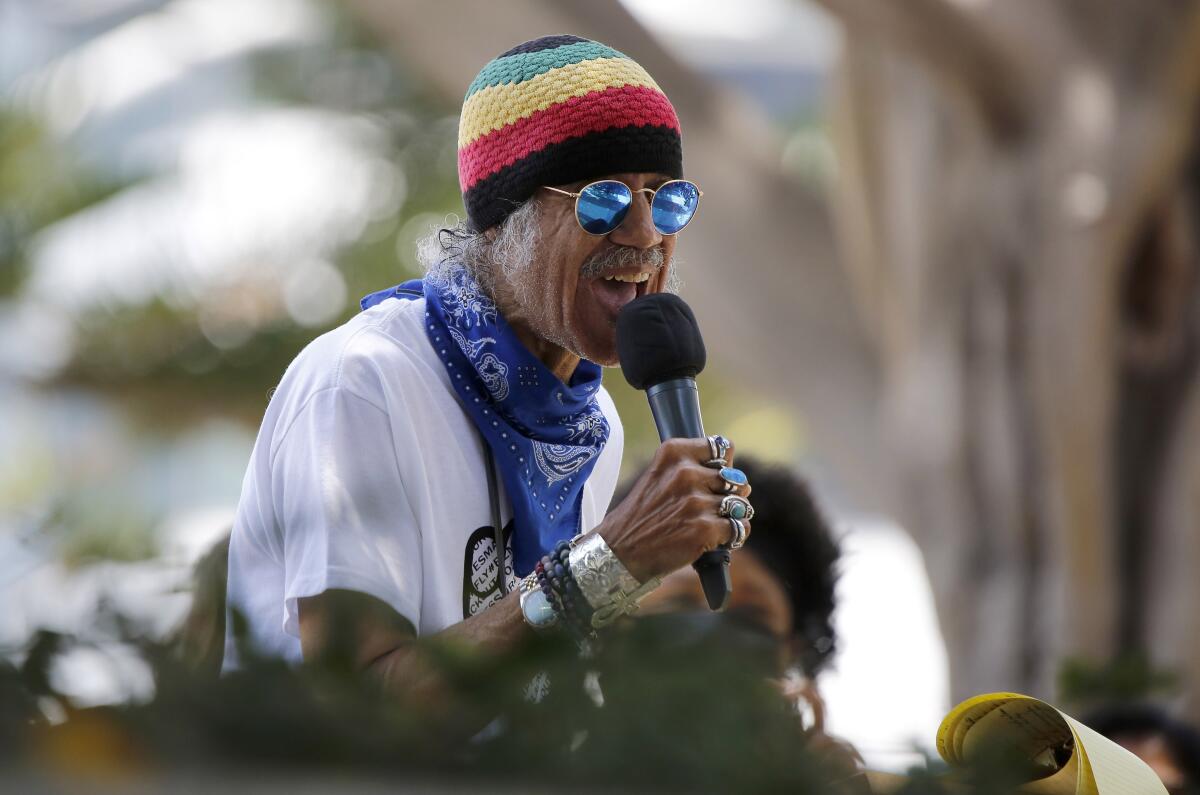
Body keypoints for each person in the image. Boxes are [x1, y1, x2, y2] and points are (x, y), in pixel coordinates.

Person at [221, 35, 754, 706]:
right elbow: (350, 712)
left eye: (664, 197)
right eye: (603, 199)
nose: (646, 235)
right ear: (504, 224)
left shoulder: (591, 424)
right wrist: (604, 564)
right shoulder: (364, 383)